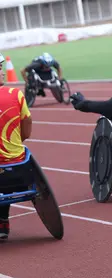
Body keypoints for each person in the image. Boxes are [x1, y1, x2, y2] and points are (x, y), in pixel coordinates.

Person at [0, 52, 33, 240]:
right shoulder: (15, 94)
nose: (3, 72)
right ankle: (3, 219)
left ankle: (2, 220)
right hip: (17, 167)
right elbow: (27, 130)